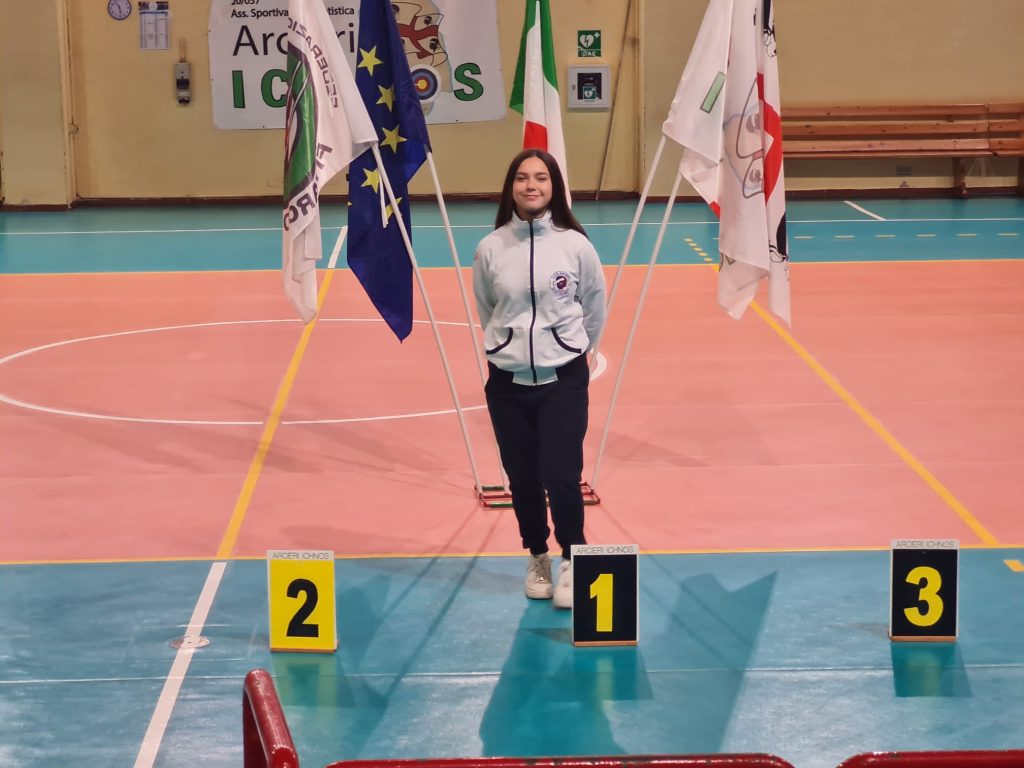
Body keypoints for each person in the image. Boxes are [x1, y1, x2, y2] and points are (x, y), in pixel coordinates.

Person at [472, 148, 607, 609]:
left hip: (563, 381)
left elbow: (594, 306)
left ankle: (573, 559)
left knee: (563, 475)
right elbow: (488, 309)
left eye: (541, 178)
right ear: (511, 187)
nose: (532, 186)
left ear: (554, 187)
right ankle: (538, 556)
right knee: (523, 477)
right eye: (523, 178)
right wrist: (507, 348)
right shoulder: (491, 248)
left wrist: (571, 350)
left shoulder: (576, 246)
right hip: (507, 384)